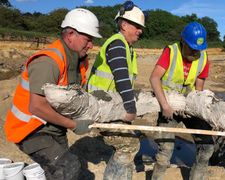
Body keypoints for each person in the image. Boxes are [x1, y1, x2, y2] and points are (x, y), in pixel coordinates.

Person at [4, 8, 102, 179]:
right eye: (88, 39)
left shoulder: (79, 61)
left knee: (58, 171)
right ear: (70, 34)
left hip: (54, 127)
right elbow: (37, 107)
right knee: (67, 166)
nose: (91, 45)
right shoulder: (48, 62)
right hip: (29, 129)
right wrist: (73, 124)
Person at [86, 1, 146, 179]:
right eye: (137, 26)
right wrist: (130, 108)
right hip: (102, 104)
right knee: (129, 145)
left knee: (128, 143)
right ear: (124, 24)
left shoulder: (126, 46)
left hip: (109, 102)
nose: (140, 31)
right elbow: (121, 78)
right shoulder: (118, 44)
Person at [149, 22, 214, 180]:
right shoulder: (171, 52)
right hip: (168, 106)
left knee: (207, 147)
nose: (194, 53)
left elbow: (198, 89)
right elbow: (154, 78)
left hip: (188, 107)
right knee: (165, 149)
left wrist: (200, 110)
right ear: (183, 41)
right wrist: (165, 106)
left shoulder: (203, 58)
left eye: (197, 49)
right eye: (191, 48)